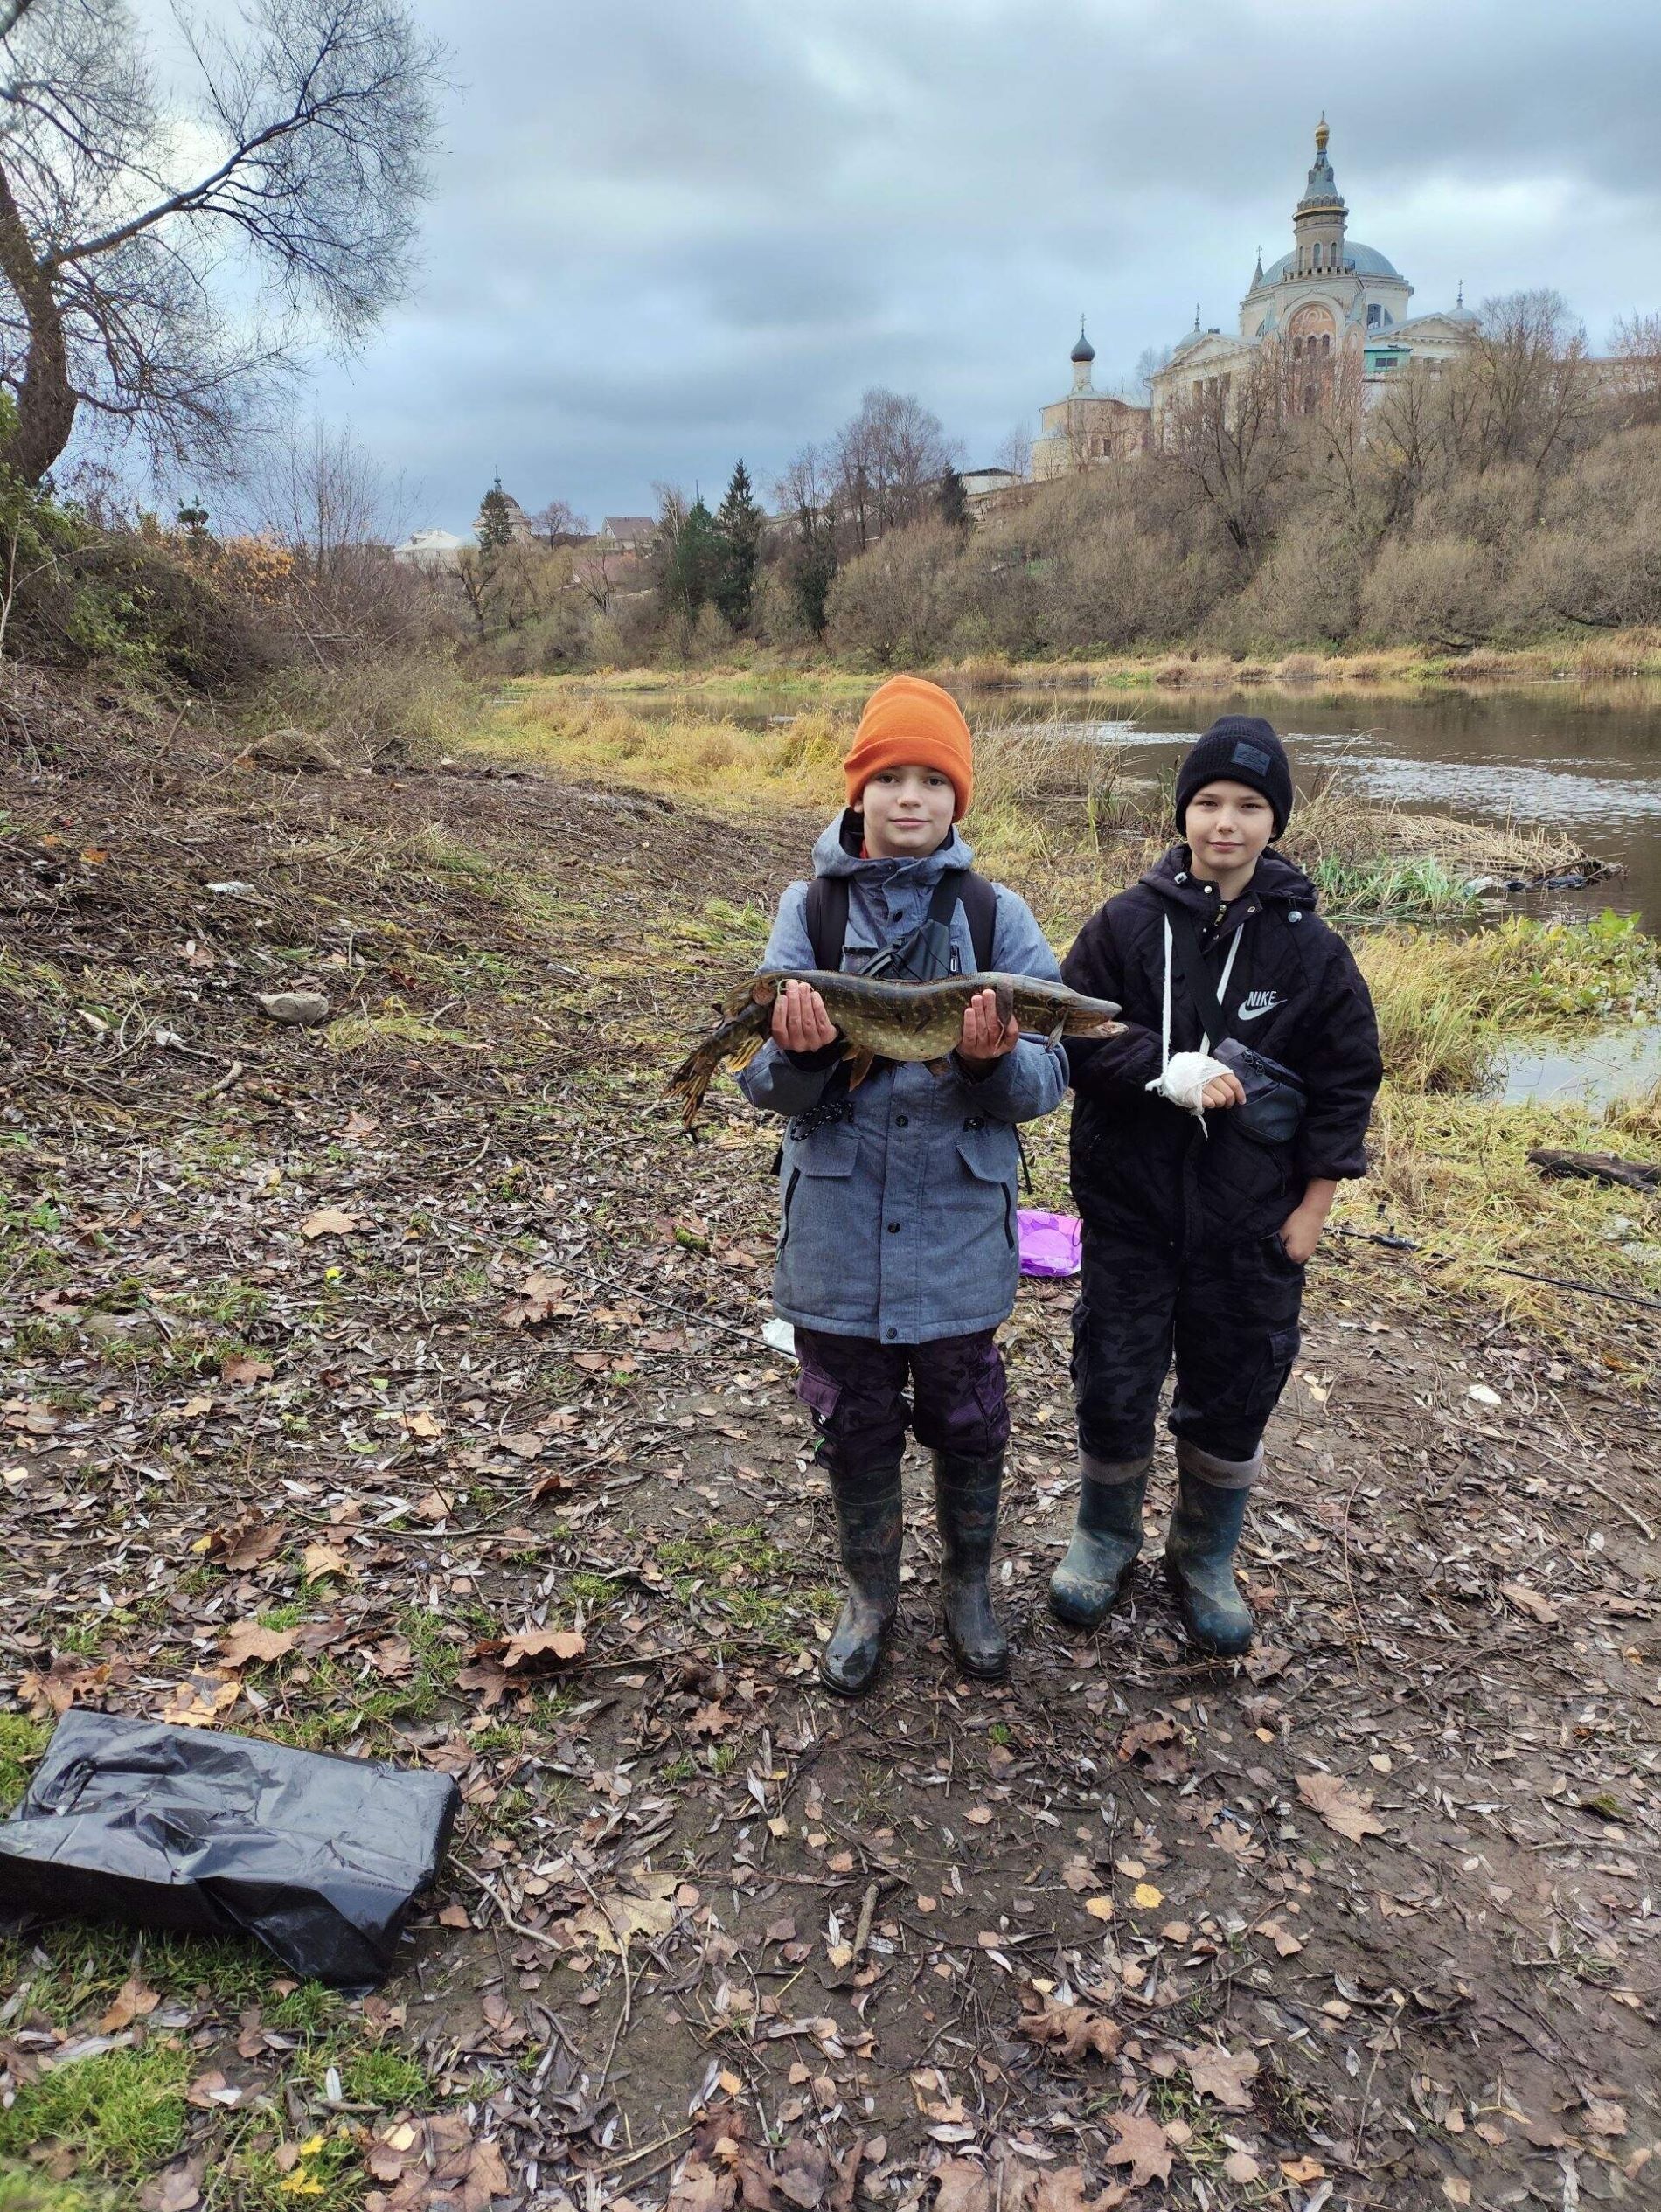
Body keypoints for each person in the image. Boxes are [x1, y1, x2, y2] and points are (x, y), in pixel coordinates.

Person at [739, 675, 1067, 1694]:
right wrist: (800, 1055)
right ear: (859, 790)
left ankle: (967, 1589)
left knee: (968, 1415)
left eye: (931, 778)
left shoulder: (995, 914)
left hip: (956, 1232)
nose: (910, 796)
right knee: (854, 1417)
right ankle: (867, 1596)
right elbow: (765, 1083)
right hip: (837, 1226)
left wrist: (983, 1063)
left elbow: (1046, 1079)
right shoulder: (808, 909)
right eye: (889, 777)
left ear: (957, 795)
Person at [1051, 716, 1382, 1655]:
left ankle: (1202, 1556)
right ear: (1182, 813)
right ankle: (1103, 1537)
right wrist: (1161, 1069)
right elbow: (1070, 1035)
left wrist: (1312, 1208)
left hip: (1251, 1228)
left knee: (1234, 1390)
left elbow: (1347, 1077)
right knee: (1114, 1379)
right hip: (1129, 1214)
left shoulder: (1311, 950)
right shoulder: (1123, 924)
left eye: (1247, 805)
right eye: (1206, 802)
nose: (1224, 822)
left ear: (1275, 821)